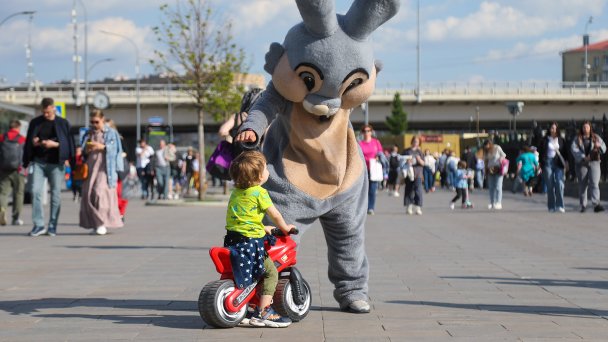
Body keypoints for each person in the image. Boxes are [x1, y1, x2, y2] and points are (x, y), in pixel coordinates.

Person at [224, 151, 295, 327]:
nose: (268, 169)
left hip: (234, 240)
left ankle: (249, 306)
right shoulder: (259, 192)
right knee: (270, 272)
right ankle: (264, 312)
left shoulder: (236, 193)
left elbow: (242, 219)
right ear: (259, 176)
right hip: (251, 243)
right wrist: (285, 227)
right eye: (265, 167)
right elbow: (276, 214)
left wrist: (263, 228)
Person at [23, 97, 75, 236]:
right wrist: (34, 144)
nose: (46, 115)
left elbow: (69, 145)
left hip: (56, 163)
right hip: (38, 161)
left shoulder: (63, 123)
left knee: (56, 195)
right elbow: (29, 141)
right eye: (43, 112)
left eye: (48, 112)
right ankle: (39, 225)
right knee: (35, 191)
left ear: (53, 108)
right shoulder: (35, 122)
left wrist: (55, 145)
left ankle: (52, 226)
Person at [79, 110, 124, 235]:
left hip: (105, 168)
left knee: (100, 192)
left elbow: (116, 149)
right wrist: (85, 148)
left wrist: (102, 147)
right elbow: (82, 149)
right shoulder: (88, 133)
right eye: (92, 122)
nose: (94, 124)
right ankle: (95, 223)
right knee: (90, 194)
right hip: (91, 168)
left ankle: (102, 223)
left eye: (97, 122)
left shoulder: (111, 133)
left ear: (102, 120)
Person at [571, 121, 606, 213]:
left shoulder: (596, 137)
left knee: (594, 183)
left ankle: (596, 204)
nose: (585, 129)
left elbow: (604, 147)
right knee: (583, 185)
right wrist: (583, 157)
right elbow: (573, 149)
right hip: (582, 164)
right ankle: (583, 205)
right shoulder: (577, 139)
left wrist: (599, 146)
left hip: (594, 163)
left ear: (590, 128)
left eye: (587, 127)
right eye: (584, 127)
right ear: (581, 129)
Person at [0, 120, 26, 226]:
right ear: (18, 127)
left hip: (4, 169)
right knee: (18, 193)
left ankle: (2, 209)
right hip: (19, 170)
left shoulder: (2, 137)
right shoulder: (22, 139)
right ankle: (16, 218)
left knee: (3, 193)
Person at [539, 122, 567, 212]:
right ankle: (551, 206)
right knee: (550, 185)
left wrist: (567, 162)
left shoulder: (561, 140)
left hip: (558, 163)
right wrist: (540, 163)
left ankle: (560, 205)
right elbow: (540, 152)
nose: (553, 130)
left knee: (559, 183)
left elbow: (565, 152)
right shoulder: (544, 139)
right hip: (548, 162)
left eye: (555, 128)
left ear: (557, 129)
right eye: (551, 128)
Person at [358, 124, 383, 215]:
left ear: (371, 132)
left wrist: (378, 156)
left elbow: (380, 152)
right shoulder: (360, 144)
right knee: (363, 190)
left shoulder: (376, 142)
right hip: (363, 169)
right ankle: (363, 207)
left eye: (368, 131)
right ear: (362, 133)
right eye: (364, 131)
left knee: (372, 190)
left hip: (373, 169)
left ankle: (371, 208)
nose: (366, 132)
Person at [403, 135, 425, 215]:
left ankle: (418, 207)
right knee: (409, 190)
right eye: (415, 141)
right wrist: (407, 161)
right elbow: (401, 161)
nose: (416, 143)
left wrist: (419, 160)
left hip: (418, 173)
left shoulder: (420, 152)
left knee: (418, 190)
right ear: (412, 141)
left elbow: (423, 163)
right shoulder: (407, 151)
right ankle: (409, 206)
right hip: (409, 173)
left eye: (417, 142)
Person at [483, 139, 506, 210]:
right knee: (491, 187)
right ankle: (492, 202)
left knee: (498, 187)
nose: (486, 147)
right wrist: (485, 170)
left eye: (486, 145)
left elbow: (504, 155)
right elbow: (485, 160)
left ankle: (499, 203)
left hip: (498, 168)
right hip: (490, 170)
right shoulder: (486, 151)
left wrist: (501, 159)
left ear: (490, 144)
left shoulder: (497, 148)